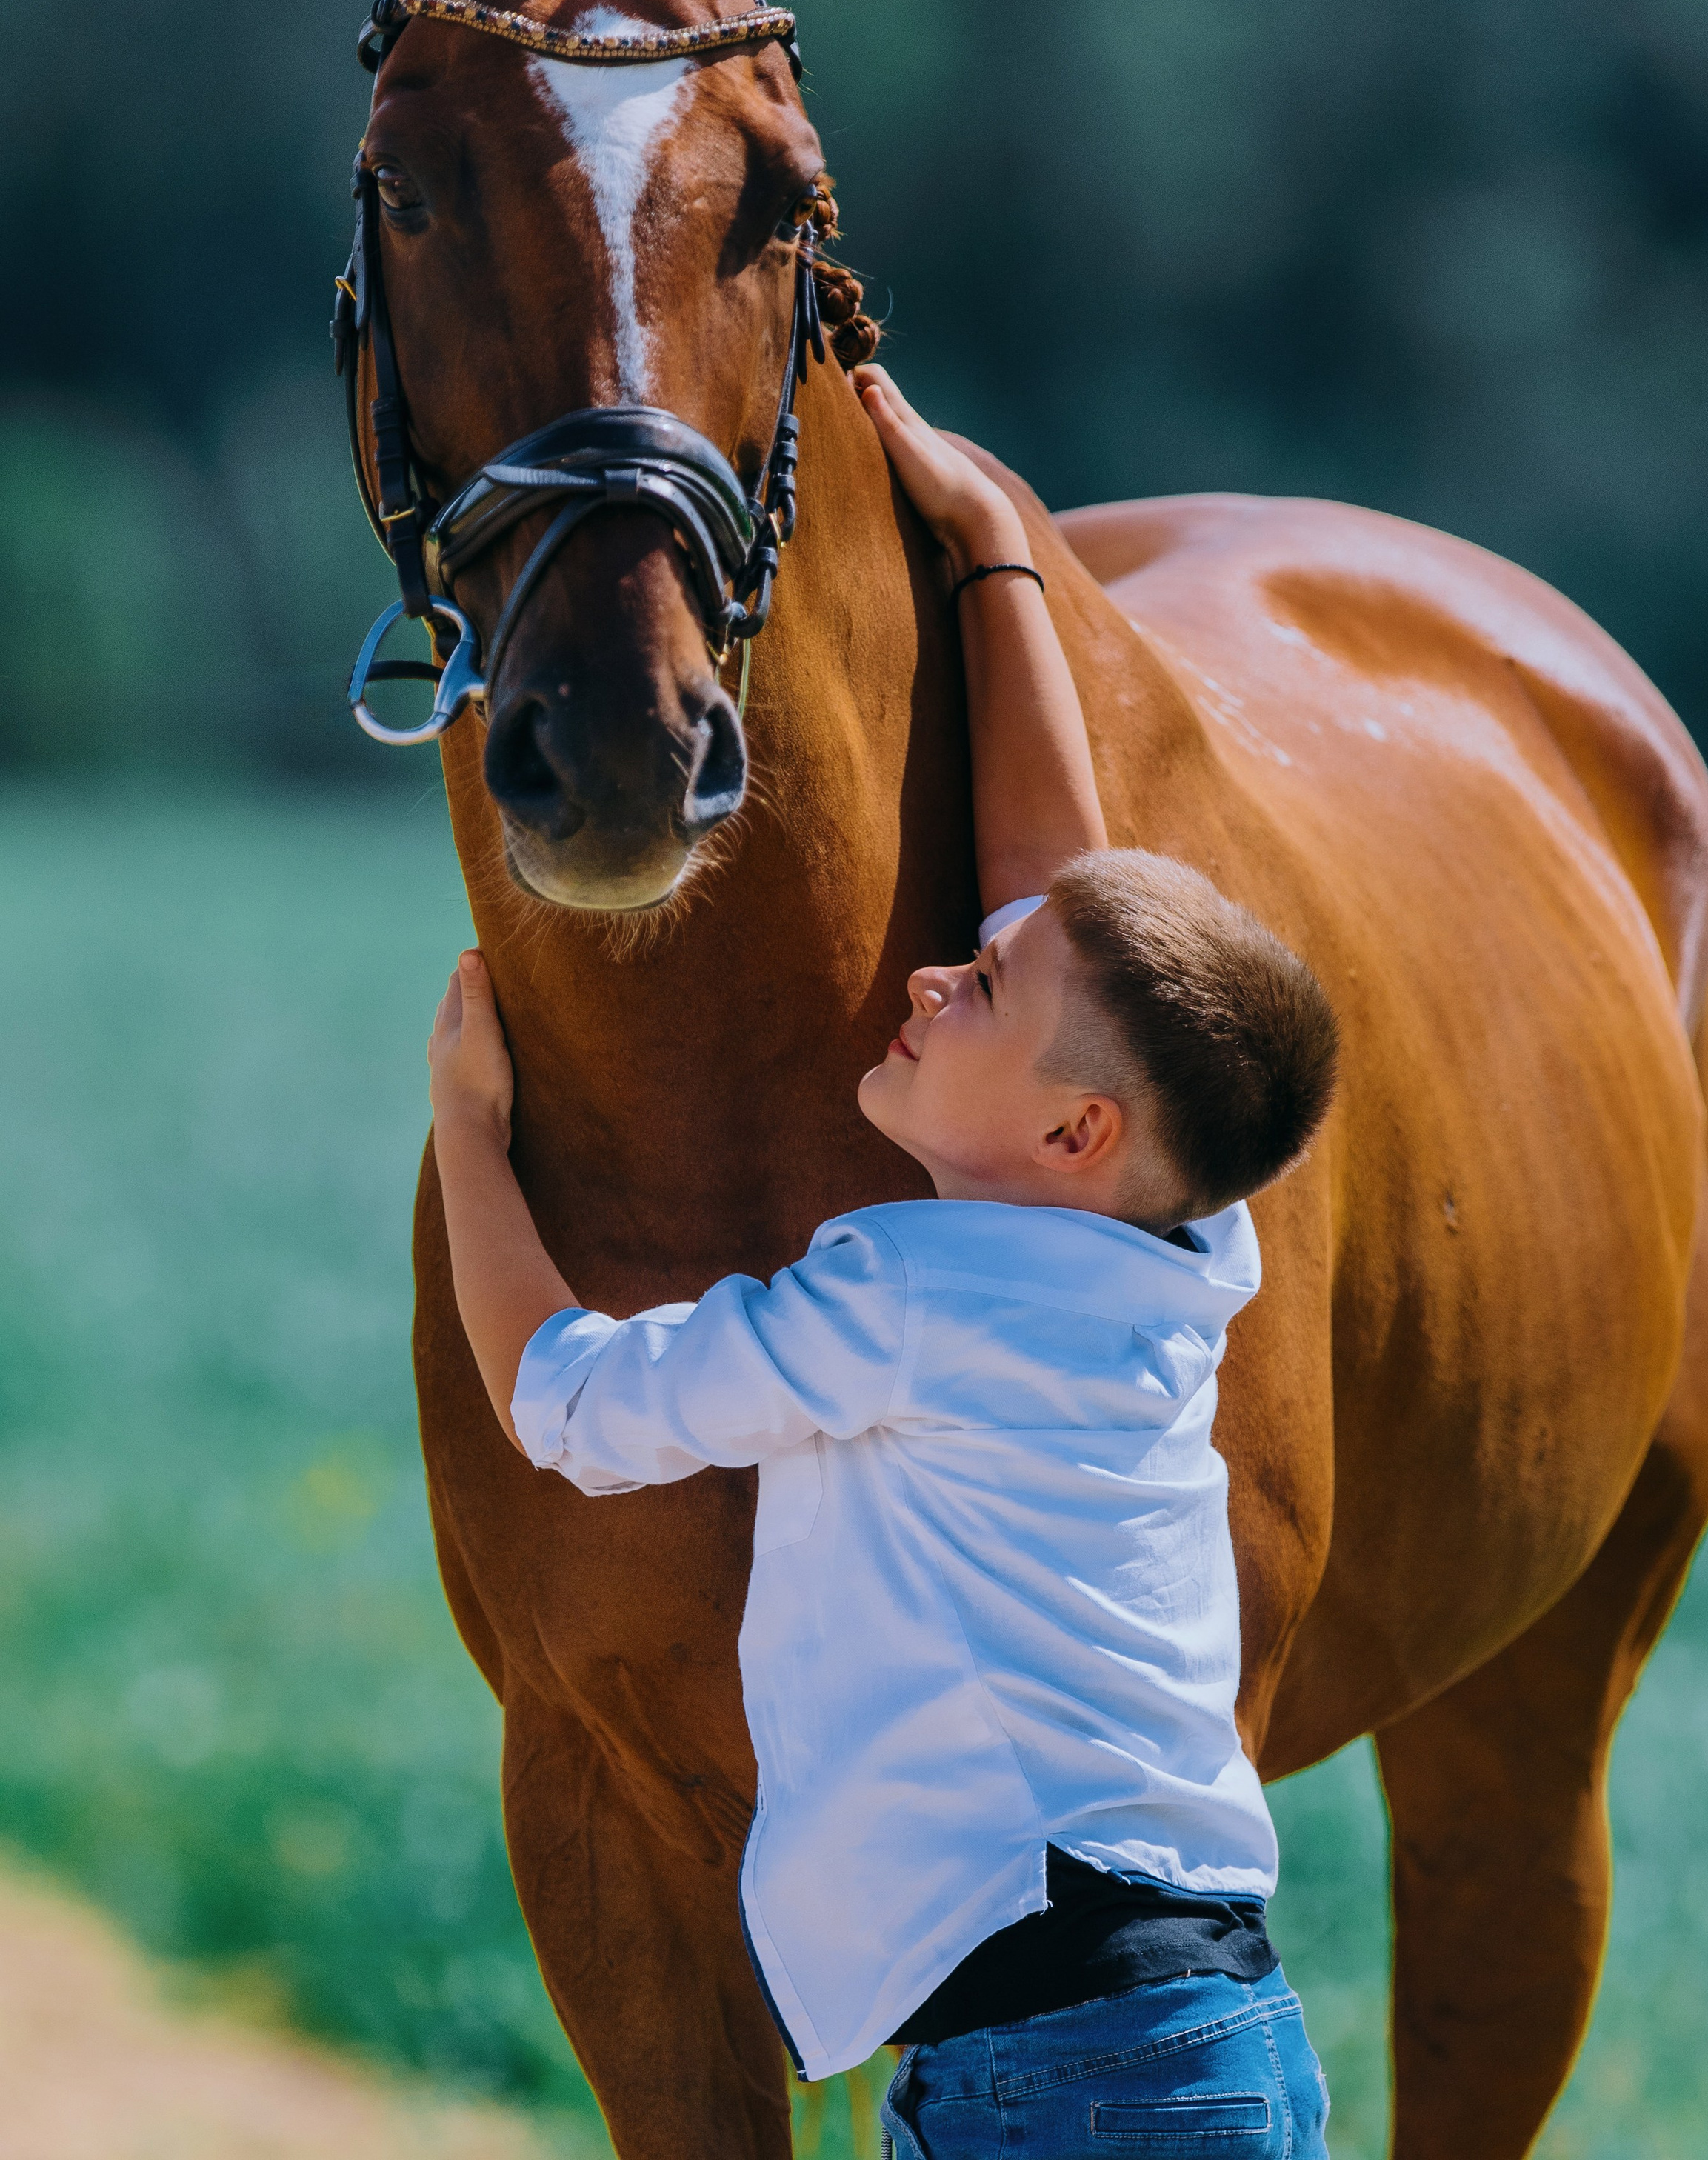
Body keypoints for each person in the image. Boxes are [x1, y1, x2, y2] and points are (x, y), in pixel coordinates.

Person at [427, 365, 1340, 2156]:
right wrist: (999, 551)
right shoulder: (1183, 1250)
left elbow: (574, 1403)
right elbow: (1061, 898)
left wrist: (469, 1135)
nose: (939, 967)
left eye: (978, 988)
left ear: (1075, 1131)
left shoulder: (911, 1297)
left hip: (1058, 2080)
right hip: (1205, 2033)